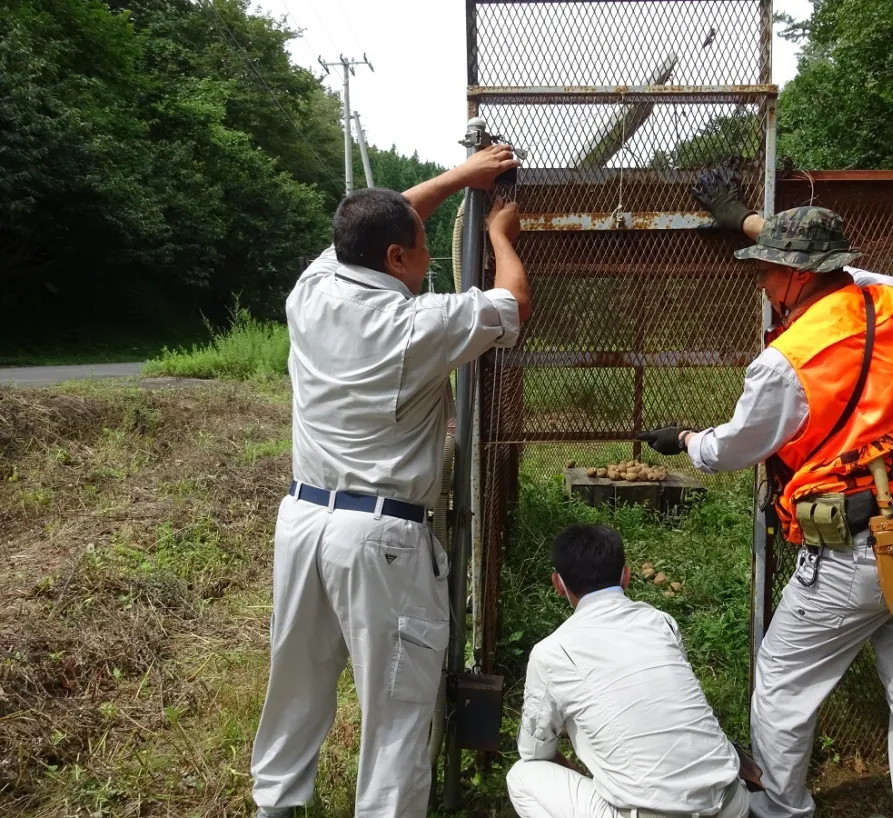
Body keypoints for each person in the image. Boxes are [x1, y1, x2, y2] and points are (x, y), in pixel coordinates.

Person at [638, 167, 893, 818]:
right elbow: (841, 265)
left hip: (862, 549)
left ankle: (780, 811)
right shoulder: (891, 297)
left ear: (794, 275)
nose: (760, 279)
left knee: (783, 690)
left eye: (765, 268)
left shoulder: (786, 360)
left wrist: (684, 439)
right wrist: (745, 220)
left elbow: (737, 447)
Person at [249, 143, 530, 818]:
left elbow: (394, 213)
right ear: (395, 260)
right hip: (380, 537)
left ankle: (275, 806)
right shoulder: (417, 324)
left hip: (303, 522)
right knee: (398, 703)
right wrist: (497, 234)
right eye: (422, 247)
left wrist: (464, 176)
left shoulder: (311, 290)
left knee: (296, 680)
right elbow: (513, 301)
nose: (430, 255)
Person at [506, 523, 751, 818]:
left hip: (653, 813)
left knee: (522, 776)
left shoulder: (551, 652)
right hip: (733, 802)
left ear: (558, 584)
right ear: (626, 575)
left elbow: (535, 752)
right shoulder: (660, 621)